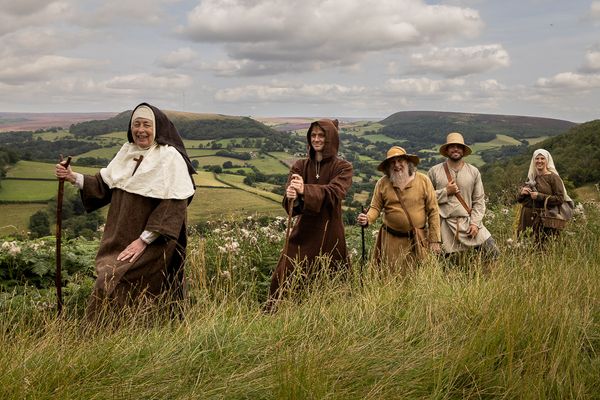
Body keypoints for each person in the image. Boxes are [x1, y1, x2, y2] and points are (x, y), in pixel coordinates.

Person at [55, 102, 196, 319]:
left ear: (157, 128)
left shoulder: (170, 158)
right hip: (119, 236)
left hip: (153, 240)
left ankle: (102, 333)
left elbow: (173, 206)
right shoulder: (126, 152)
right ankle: (114, 337)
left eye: (146, 125)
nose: (140, 130)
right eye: (136, 124)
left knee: (113, 282)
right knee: (112, 282)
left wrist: (143, 241)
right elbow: (104, 185)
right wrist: (73, 177)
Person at [267, 119, 353, 309]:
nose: (316, 139)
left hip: (330, 231)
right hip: (304, 230)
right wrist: (291, 196)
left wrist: (304, 190)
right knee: (286, 273)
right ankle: (281, 313)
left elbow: (335, 193)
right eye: (313, 135)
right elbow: (291, 205)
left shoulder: (343, 167)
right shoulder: (300, 165)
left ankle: (329, 315)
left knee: (329, 277)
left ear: (331, 138)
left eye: (321, 135)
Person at [357, 146, 441, 273]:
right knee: (391, 275)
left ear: (407, 162)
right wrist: (367, 218)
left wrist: (435, 240)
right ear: (388, 166)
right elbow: (375, 207)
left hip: (417, 240)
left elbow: (433, 211)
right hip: (391, 240)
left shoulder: (423, 181)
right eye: (392, 162)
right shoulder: (382, 183)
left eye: (400, 160)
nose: (397, 165)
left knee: (418, 276)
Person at [427, 132, 499, 261]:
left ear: (463, 150)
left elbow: (479, 201)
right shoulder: (434, 171)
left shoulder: (473, 171)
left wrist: (475, 224)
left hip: (469, 223)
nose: (455, 149)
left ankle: (484, 280)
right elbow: (426, 199)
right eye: (452, 146)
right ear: (447, 150)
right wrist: (445, 192)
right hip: (445, 226)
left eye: (459, 146)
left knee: (493, 253)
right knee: (448, 265)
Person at [517, 148, 573, 244]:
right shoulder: (531, 177)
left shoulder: (553, 178)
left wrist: (540, 196)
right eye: (537, 158)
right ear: (533, 161)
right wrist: (521, 193)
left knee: (542, 246)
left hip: (544, 218)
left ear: (547, 161)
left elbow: (560, 199)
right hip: (526, 218)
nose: (539, 161)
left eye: (542, 158)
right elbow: (519, 200)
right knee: (525, 245)